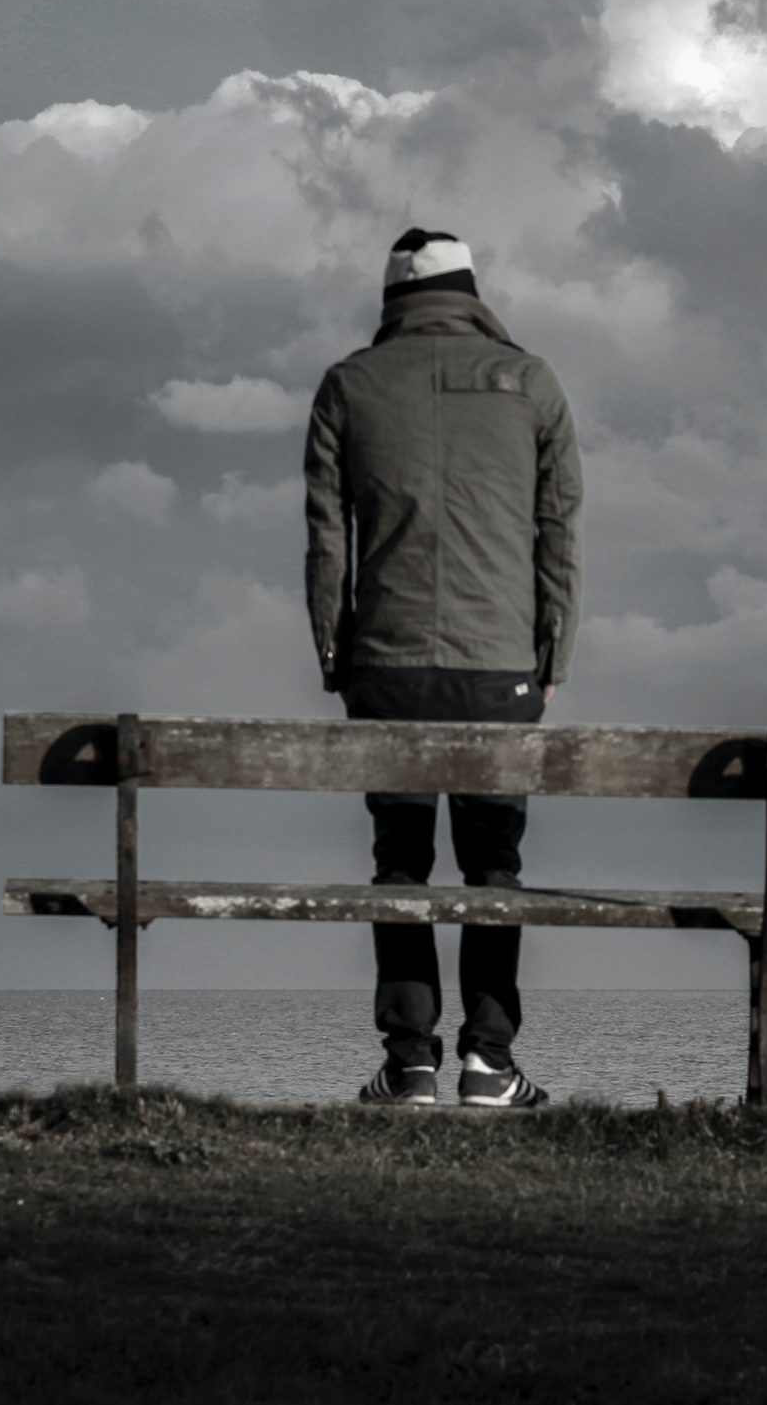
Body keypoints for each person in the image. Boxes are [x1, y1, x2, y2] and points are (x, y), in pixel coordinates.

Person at [304, 227, 583, 1109]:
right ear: (471, 288)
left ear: (391, 298)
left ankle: (411, 1059)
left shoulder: (349, 383)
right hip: (500, 667)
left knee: (401, 860)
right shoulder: (531, 381)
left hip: (386, 665)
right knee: (494, 863)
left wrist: (334, 651)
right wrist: (550, 656)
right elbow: (559, 533)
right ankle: (489, 1062)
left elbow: (324, 540)